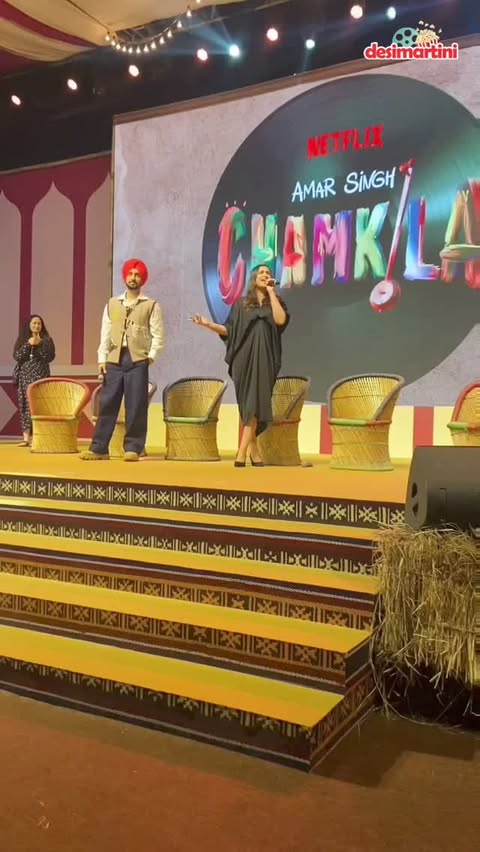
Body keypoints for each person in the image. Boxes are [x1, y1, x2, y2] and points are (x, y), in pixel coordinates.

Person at [192, 263, 289, 466]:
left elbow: (280, 321)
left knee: (255, 403)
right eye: (261, 272)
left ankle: (242, 452)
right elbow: (228, 330)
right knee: (249, 405)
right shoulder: (241, 304)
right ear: (254, 278)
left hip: (266, 359)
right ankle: (254, 452)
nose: (265, 275)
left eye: (268, 273)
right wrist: (208, 324)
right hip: (243, 360)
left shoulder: (275, 303)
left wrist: (272, 292)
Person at [80, 258, 164, 462]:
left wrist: (150, 357)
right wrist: (102, 359)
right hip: (114, 359)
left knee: (136, 405)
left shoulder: (150, 305)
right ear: (125, 276)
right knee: (107, 403)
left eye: (137, 275)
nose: (133, 278)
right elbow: (105, 333)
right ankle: (99, 448)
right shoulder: (112, 304)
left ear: (142, 279)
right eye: (130, 274)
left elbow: (158, 335)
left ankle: (133, 447)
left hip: (138, 360)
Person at [13, 315, 55, 446]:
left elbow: (50, 357)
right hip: (25, 376)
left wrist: (40, 343)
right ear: (29, 325)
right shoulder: (22, 339)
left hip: (41, 375)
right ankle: (26, 438)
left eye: (39, 323)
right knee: (26, 405)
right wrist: (28, 344)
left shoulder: (47, 340)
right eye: (34, 323)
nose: (37, 326)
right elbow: (17, 356)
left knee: (40, 405)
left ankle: (38, 437)